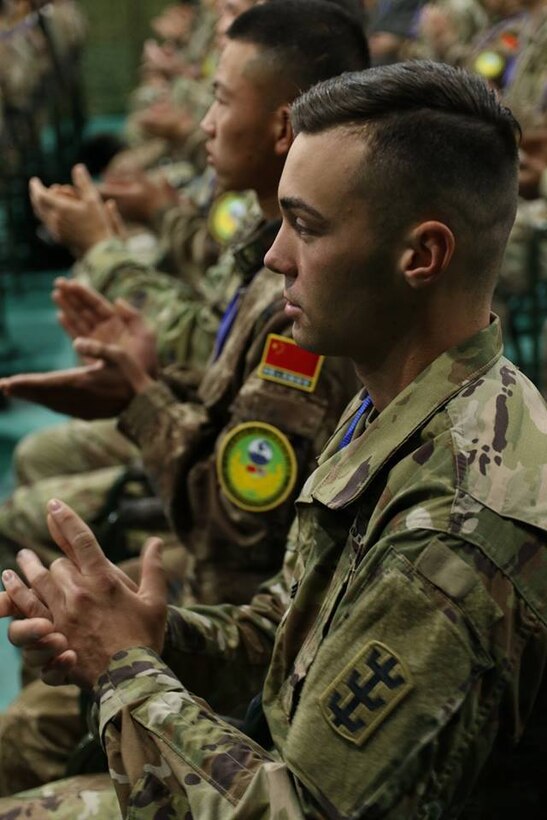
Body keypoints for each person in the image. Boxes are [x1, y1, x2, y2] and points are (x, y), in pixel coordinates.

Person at [2, 58, 547, 817]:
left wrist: (122, 667)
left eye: (307, 226)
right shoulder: (399, 401)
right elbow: (285, 634)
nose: (272, 255)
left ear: (420, 256)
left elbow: (304, 810)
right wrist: (157, 635)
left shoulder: (457, 533)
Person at [0, 0, 368, 798]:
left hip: (229, 614)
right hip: (231, 606)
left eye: (219, 99)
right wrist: (136, 380)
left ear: (281, 127)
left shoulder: (307, 309)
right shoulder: (278, 256)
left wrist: (136, 394)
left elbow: (233, 533)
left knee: (19, 744)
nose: (202, 122)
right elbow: (214, 381)